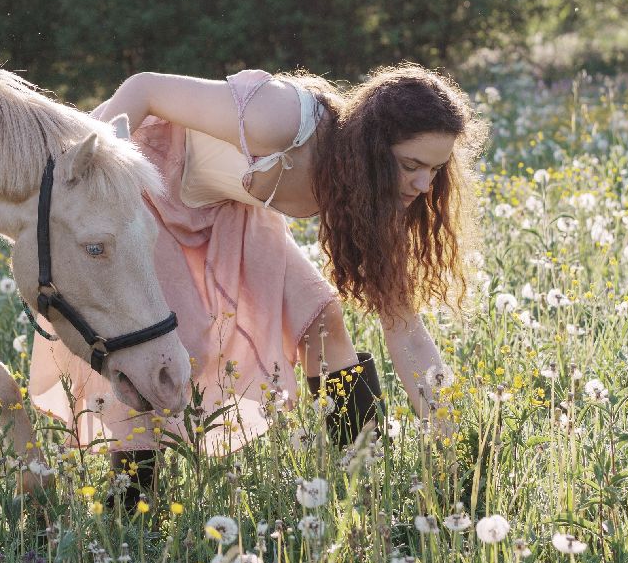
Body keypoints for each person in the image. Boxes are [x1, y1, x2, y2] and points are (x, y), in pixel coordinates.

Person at [27, 64, 487, 498]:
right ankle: (130, 511)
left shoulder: (377, 195)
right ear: (371, 145)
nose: (425, 184)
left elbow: (403, 325)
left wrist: (453, 443)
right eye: (410, 165)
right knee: (162, 348)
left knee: (321, 319)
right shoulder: (282, 119)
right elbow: (145, 88)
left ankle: (363, 478)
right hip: (149, 190)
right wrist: (89, 175)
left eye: (434, 169)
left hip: (232, 206)